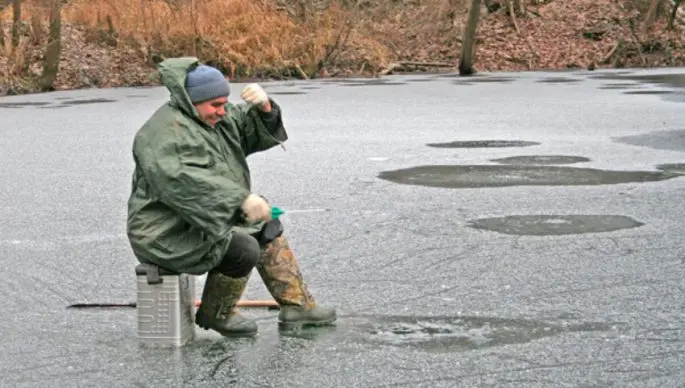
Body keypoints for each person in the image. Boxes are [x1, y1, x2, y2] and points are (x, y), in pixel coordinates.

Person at [126, 57, 336, 337]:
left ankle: (297, 306)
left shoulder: (211, 118)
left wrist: (265, 108)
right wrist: (240, 202)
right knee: (243, 248)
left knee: (267, 228)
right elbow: (186, 184)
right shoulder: (163, 135)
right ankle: (217, 313)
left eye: (225, 103)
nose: (223, 111)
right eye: (216, 105)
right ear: (191, 100)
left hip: (197, 220)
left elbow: (244, 125)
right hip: (165, 232)